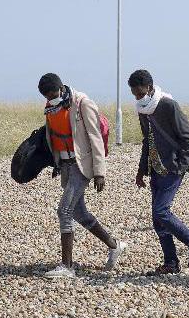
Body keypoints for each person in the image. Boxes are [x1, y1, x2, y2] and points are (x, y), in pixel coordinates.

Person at [39, 73, 129, 279]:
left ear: (61, 88)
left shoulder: (82, 103)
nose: (50, 99)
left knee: (64, 211)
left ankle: (67, 266)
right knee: (80, 213)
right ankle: (115, 246)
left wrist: (100, 172)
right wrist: (55, 163)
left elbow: (95, 137)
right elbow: (52, 135)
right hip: (66, 165)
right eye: (47, 96)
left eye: (53, 95)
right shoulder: (51, 107)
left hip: (82, 165)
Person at [129, 69, 189, 276]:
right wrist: (140, 170)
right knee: (158, 219)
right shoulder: (142, 109)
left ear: (149, 87)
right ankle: (171, 262)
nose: (138, 97)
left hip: (172, 167)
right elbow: (147, 139)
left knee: (161, 211)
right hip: (155, 167)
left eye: (140, 93)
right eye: (134, 94)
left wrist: (179, 165)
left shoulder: (168, 105)